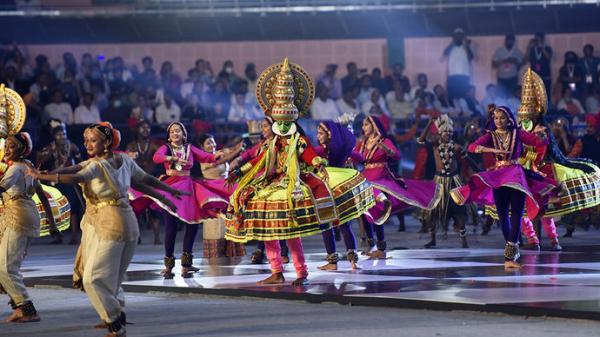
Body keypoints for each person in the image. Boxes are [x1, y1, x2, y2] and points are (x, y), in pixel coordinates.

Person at [225, 58, 374, 285]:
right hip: (270, 183)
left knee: (291, 232)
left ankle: (301, 272)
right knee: (267, 230)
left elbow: (308, 155)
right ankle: (276, 271)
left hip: (293, 183)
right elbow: (258, 159)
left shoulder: (298, 139)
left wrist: (318, 164)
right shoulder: (271, 143)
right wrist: (238, 170)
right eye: (279, 122)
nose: (282, 126)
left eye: (286, 122)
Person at [28, 122, 183, 337]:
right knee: (113, 276)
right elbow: (142, 181)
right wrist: (167, 194)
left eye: (93, 140)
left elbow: (76, 176)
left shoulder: (96, 166)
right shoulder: (123, 161)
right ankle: (116, 312)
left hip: (109, 223)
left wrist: (43, 177)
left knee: (94, 279)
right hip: (126, 222)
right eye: (86, 140)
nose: (87, 144)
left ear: (107, 142)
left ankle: (115, 321)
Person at [451, 105, 557, 268]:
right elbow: (472, 147)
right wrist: (489, 148)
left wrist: (543, 135)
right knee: (502, 215)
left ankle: (510, 256)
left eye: (502, 118)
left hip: (516, 175)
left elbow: (538, 143)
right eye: (496, 118)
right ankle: (511, 251)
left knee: (517, 213)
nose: (499, 121)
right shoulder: (490, 136)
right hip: (499, 177)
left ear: (509, 119)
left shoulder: (518, 133)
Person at [131, 122, 240, 278]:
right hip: (171, 188)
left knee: (192, 224)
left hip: (188, 188)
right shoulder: (166, 148)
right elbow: (156, 158)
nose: (175, 133)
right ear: (169, 136)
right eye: (173, 131)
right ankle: (168, 266)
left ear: (184, 134)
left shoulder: (190, 148)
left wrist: (218, 155)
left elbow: (207, 157)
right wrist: (172, 157)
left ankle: (186, 265)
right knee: (171, 226)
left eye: (178, 131)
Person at [352, 115, 441, 258]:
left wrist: (387, 150)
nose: (363, 128)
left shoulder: (384, 141)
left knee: (377, 209)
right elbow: (354, 157)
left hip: (381, 178)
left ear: (374, 126)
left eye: (366, 125)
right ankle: (371, 245)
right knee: (364, 211)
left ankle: (380, 247)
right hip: (365, 179)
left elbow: (397, 156)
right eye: (363, 125)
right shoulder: (362, 143)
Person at [1, 132, 57, 323]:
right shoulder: (29, 166)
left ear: (23, 150)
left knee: (6, 267)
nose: (7, 149)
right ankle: (18, 307)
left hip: (18, 215)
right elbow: (41, 195)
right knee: (8, 265)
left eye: (12, 146)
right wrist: (52, 223)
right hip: (26, 213)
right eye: (6, 145)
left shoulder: (16, 168)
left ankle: (28, 309)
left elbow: (1, 188)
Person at [229, 117, 289, 264]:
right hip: (262, 180)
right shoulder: (263, 144)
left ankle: (283, 250)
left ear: (273, 127)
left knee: (278, 215)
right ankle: (261, 248)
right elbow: (252, 156)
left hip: (277, 180)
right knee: (260, 213)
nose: (263, 129)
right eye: (262, 127)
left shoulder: (280, 142)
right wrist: (238, 164)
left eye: (265, 126)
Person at [315, 121, 361, 270]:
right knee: (344, 224)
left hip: (328, 190)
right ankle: (353, 261)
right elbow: (361, 158)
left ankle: (332, 262)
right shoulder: (341, 149)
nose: (318, 136)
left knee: (326, 224)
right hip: (341, 188)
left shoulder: (322, 151)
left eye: (321, 133)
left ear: (329, 134)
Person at [417, 115, 469, 248]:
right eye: (445, 132)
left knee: (459, 210)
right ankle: (432, 239)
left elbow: (465, 162)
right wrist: (430, 122)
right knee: (433, 210)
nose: (448, 134)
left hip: (453, 181)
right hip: (438, 181)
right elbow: (421, 140)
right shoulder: (435, 145)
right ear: (440, 133)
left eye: (450, 132)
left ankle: (464, 240)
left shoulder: (456, 147)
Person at [195, 133, 245, 258]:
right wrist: (236, 151)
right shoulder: (204, 158)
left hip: (227, 190)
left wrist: (241, 144)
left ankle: (232, 250)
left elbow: (232, 150)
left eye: (213, 142)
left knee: (231, 219)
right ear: (202, 147)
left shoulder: (220, 152)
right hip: (213, 193)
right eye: (208, 143)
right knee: (217, 223)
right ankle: (216, 252)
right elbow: (222, 161)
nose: (212, 145)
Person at [35, 120, 84, 244]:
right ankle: (59, 236)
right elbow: (39, 162)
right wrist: (50, 152)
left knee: (73, 208)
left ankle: (74, 236)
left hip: (69, 181)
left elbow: (80, 163)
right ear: (54, 136)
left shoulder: (72, 146)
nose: (62, 136)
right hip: (55, 182)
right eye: (59, 134)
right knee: (57, 208)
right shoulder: (49, 147)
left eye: (64, 134)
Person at [125, 119, 162, 245]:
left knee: (154, 209)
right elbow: (127, 161)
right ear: (137, 130)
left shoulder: (153, 145)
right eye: (143, 127)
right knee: (136, 210)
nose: (146, 130)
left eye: (148, 127)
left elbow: (161, 157)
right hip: (136, 183)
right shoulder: (131, 145)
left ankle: (157, 237)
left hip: (151, 180)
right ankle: (137, 236)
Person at [443, 28, 474, 101]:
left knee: (464, 97)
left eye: (460, 35)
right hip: (452, 75)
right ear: (453, 37)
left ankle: (465, 111)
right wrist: (453, 43)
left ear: (463, 36)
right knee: (452, 97)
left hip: (464, 75)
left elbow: (471, 57)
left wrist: (467, 45)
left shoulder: (467, 46)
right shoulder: (450, 47)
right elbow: (444, 54)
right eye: (456, 36)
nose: (458, 37)